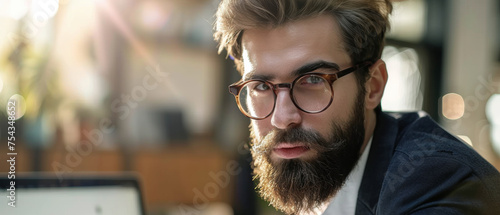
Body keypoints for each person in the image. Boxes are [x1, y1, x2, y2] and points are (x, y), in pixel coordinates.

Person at [213, 0, 500, 214]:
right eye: (261, 86)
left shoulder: (441, 186)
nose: (282, 118)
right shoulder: (325, 172)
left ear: (372, 86)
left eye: (312, 79)